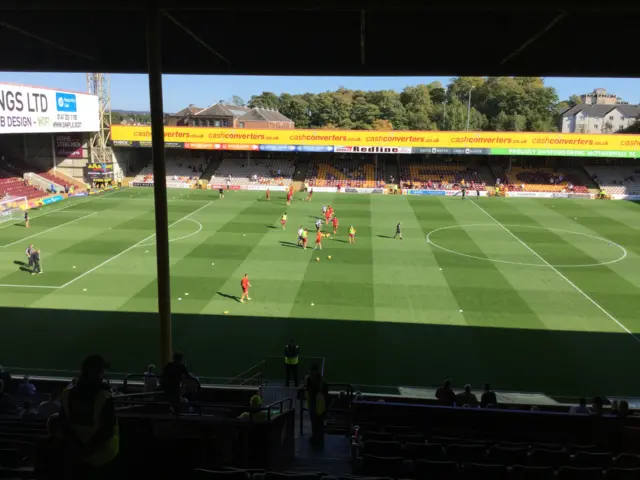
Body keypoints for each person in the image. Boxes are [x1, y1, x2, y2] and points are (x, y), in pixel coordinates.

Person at [60, 355, 119, 478]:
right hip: (103, 458)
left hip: (76, 456)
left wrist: (79, 452)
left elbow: (64, 425)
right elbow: (106, 430)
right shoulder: (104, 397)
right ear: (99, 375)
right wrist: (87, 452)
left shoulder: (67, 394)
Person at [305, 365, 328, 449]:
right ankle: (315, 438)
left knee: (318, 423)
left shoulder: (318, 381)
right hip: (314, 404)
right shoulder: (311, 380)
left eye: (312, 372)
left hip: (318, 405)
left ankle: (318, 439)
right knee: (314, 423)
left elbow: (312, 390)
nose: (311, 373)